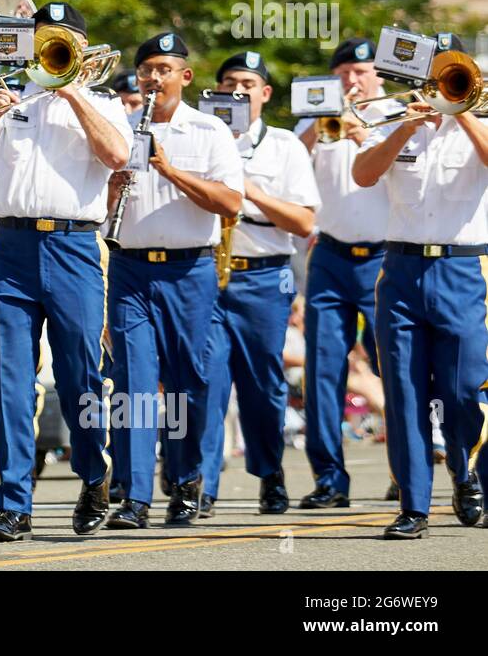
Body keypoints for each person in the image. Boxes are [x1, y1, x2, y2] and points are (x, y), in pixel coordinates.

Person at [0, 3, 131, 541]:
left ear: (80, 47)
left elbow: (118, 155)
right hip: (8, 246)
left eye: (57, 42)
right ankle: (14, 503)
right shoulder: (6, 97)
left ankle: (93, 475)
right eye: (40, 41)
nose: (45, 51)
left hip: (73, 245)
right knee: (8, 377)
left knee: (80, 373)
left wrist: (71, 90)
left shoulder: (101, 102)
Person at [103, 32, 244, 530]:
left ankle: (186, 479)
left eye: (164, 69)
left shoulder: (209, 131)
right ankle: (136, 494)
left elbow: (229, 204)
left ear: (184, 76)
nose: (154, 78)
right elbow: (88, 207)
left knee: (191, 383)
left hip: (189, 269)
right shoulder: (116, 128)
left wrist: (169, 168)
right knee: (133, 384)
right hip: (130, 267)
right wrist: (110, 189)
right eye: (147, 70)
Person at [352, 32, 488, 539]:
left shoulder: (480, 118)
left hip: (463, 269)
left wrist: (460, 109)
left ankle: (465, 468)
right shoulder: (391, 115)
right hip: (403, 269)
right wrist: (406, 129)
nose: (438, 83)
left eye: (448, 73)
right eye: (433, 73)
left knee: (463, 386)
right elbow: (364, 175)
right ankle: (413, 505)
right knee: (403, 389)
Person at [199, 51, 319, 517]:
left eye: (248, 83)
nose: (238, 90)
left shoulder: (285, 144)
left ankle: (270, 474)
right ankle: (201, 485)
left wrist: (249, 191)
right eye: (230, 82)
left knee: (262, 383)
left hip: (262, 274)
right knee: (205, 381)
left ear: (265, 93)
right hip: (206, 270)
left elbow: (303, 220)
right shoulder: (201, 137)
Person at [295, 37, 399, 508]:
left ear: (378, 75)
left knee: (395, 368)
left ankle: (406, 470)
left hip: (385, 256)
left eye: (361, 72)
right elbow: (292, 167)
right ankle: (330, 480)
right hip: (331, 256)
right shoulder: (316, 117)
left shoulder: (398, 114)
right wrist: (321, 124)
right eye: (344, 74)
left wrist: (364, 130)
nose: (353, 81)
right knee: (323, 369)